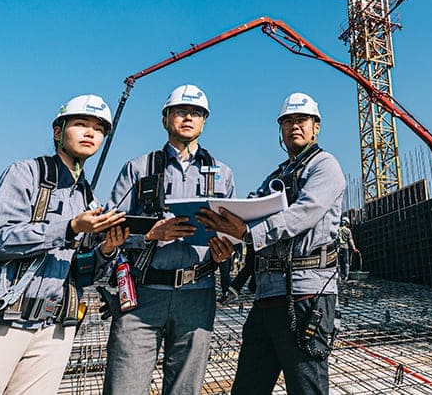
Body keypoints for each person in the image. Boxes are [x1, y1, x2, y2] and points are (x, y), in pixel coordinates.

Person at [198, 92, 346, 395]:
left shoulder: (325, 166)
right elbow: (248, 208)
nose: (295, 126)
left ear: (316, 126)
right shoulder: (275, 177)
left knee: (306, 387)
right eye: (288, 121)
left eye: (302, 120)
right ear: (280, 129)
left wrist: (246, 232)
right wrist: (222, 228)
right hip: (267, 296)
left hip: (306, 295)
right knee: (248, 386)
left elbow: (302, 214)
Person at [102, 84, 236, 395]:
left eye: (196, 113)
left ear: (204, 121)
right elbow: (110, 227)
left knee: (185, 389)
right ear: (165, 119)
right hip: (142, 294)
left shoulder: (223, 174)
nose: (188, 118)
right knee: (125, 386)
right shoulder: (139, 169)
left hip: (197, 294)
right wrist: (150, 233)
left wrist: (225, 251)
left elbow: (232, 230)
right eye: (181, 112)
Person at [0, 94, 127, 395]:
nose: (90, 132)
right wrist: (69, 228)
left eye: (98, 129)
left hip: (57, 327)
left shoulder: (89, 199)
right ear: (58, 132)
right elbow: (1, 237)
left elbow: (85, 274)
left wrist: (105, 250)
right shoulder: (26, 174)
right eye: (81, 124)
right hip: (8, 319)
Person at [336, 217, 358, 281]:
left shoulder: (337, 229)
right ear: (347, 223)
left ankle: (339, 277)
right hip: (345, 247)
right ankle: (346, 276)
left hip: (338, 247)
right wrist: (354, 248)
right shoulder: (348, 230)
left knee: (338, 262)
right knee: (346, 262)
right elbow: (350, 240)